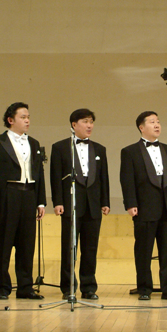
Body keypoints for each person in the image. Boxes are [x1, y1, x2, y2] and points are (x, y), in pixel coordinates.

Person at [0, 102, 46, 300]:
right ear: (10, 120)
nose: (27, 120)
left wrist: (41, 201)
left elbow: (39, 174)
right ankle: (2, 287)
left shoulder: (34, 143)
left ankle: (25, 287)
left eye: (28, 117)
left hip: (29, 195)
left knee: (27, 244)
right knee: (4, 243)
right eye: (23, 117)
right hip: (7, 195)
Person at [119, 111, 167, 301]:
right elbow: (127, 180)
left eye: (158, 122)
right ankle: (144, 288)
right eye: (152, 122)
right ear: (141, 127)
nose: (157, 125)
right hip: (144, 208)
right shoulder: (130, 151)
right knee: (144, 252)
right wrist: (130, 203)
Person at [50, 109, 110, 300]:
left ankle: (89, 287)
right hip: (71, 204)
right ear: (74, 124)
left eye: (91, 121)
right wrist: (58, 202)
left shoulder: (99, 149)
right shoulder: (60, 147)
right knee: (69, 248)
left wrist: (105, 201)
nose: (89, 125)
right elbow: (55, 177)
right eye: (85, 121)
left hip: (93, 205)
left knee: (90, 248)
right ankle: (68, 288)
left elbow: (103, 178)